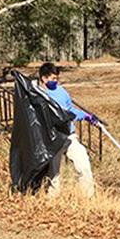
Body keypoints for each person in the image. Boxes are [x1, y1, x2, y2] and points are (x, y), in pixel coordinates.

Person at [38, 63, 97, 198]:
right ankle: (52, 200)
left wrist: (86, 116)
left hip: (69, 136)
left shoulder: (61, 92)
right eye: (53, 78)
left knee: (83, 164)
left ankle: (88, 197)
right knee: (53, 173)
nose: (55, 81)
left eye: (56, 79)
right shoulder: (37, 95)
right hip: (52, 139)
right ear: (44, 78)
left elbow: (69, 110)